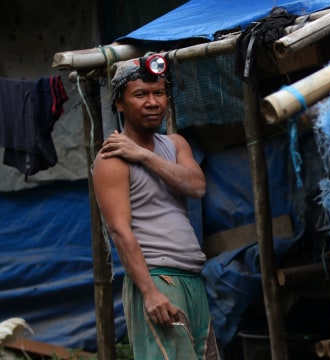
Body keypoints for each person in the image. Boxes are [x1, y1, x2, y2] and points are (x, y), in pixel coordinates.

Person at [92, 55, 218, 359]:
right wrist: (149, 292)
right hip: (157, 279)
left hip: (191, 276)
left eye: (158, 93)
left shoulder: (175, 144)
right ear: (120, 104)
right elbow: (119, 231)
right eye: (140, 95)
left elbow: (196, 186)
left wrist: (144, 156)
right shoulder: (111, 160)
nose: (152, 102)